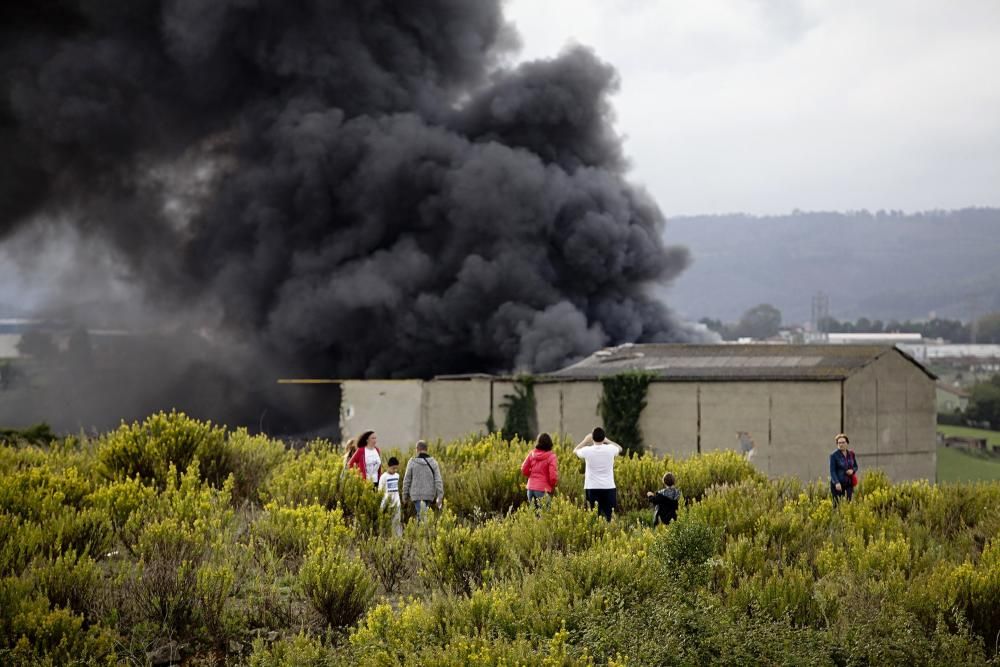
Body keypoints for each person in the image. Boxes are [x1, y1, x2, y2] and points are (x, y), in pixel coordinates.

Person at [574, 427, 622, 521]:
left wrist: (585, 441)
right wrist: (608, 441)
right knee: (610, 517)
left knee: (594, 517)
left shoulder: (587, 450)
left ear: (592, 438)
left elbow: (575, 450)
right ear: (603, 437)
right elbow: (620, 448)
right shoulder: (610, 449)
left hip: (592, 487)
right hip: (609, 487)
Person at [401, 439, 443, 521]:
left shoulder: (412, 462)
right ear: (426, 449)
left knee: (422, 516)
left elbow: (406, 480)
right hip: (429, 495)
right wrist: (440, 496)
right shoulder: (434, 462)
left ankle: (421, 528)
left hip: (416, 495)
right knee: (423, 515)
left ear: (417, 449)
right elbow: (438, 480)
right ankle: (423, 527)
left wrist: (404, 496)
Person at [521, 432, 559, 509]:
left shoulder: (532, 454)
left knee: (534, 514)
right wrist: (552, 486)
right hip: (542, 490)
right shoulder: (551, 456)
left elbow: (523, 469)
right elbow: (553, 476)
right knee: (545, 514)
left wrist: (532, 476)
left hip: (530, 489)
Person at [830, 433, 859, 505]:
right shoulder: (834, 455)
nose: (841, 444)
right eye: (839, 443)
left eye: (843, 442)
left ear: (847, 443)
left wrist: (852, 471)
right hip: (838, 484)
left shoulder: (851, 454)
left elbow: (855, 466)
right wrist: (837, 483)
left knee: (848, 504)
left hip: (849, 484)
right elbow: (832, 471)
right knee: (837, 505)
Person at [378, 456, 402, 536]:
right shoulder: (383, 477)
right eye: (393, 468)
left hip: (396, 503)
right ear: (388, 466)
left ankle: (398, 538)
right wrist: (382, 505)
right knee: (386, 523)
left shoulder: (397, 476)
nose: (395, 470)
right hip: (387, 503)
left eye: (396, 468)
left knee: (397, 522)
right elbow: (380, 491)